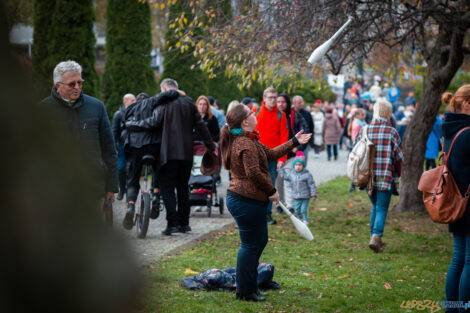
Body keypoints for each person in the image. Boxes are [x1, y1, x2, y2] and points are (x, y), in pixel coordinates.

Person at [219, 103, 311, 302]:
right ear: (245, 121)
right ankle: (244, 291)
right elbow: (253, 173)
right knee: (250, 246)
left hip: (250, 201)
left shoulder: (248, 139)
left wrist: (294, 141)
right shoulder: (245, 144)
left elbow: (270, 154)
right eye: (251, 112)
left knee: (259, 242)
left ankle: (250, 286)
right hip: (245, 201)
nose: (255, 114)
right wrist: (271, 190)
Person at [126, 78, 215, 235]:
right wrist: (210, 145)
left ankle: (172, 224)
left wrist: (133, 124)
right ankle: (184, 224)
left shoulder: (164, 104)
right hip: (187, 154)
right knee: (182, 188)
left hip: (167, 154)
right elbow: (201, 125)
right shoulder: (189, 103)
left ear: (165, 89)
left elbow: (153, 122)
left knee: (167, 189)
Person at [40, 60, 118, 206]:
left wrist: (111, 188)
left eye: (80, 82)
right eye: (72, 84)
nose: (77, 87)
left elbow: (109, 150)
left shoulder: (97, 107)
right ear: (58, 86)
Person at [121, 87, 181, 230]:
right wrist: (177, 92)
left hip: (135, 147)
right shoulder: (153, 101)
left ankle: (130, 206)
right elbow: (170, 94)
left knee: (133, 179)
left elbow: (123, 128)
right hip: (153, 146)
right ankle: (155, 197)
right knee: (157, 170)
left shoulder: (129, 109)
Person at [356, 100, 404, 253]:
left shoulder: (364, 130)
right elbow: (399, 158)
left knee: (375, 206)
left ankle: (374, 237)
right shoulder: (392, 132)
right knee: (381, 207)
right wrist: (399, 174)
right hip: (384, 176)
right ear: (388, 114)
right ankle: (376, 236)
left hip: (366, 177)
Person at [440, 86, 470, 311]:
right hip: (468, 202)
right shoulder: (467, 133)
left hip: (455, 202)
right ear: (467, 104)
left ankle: (452, 307)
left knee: (459, 257)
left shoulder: (450, 129)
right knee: (468, 261)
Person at [254, 87, 289, 225]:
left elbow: (284, 138)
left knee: (270, 187)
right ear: (264, 98)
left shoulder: (281, 115)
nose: (273, 100)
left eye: (275, 97)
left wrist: (282, 158)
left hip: (273, 158)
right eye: (270, 97)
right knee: (255, 186)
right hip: (256, 157)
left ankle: (267, 214)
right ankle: (255, 213)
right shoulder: (254, 112)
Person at [275, 93, 308, 213]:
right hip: (276, 153)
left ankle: (290, 206)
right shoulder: (273, 115)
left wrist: (298, 147)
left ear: (287, 103)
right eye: (278, 102)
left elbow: (305, 130)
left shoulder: (294, 115)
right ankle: (280, 205)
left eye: (283, 102)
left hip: (290, 154)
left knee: (288, 180)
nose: (280, 104)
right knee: (278, 181)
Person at [278, 152, 317, 225]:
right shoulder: (292, 174)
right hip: (296, 196)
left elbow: (311, 184)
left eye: (300, 165)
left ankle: (305, 220)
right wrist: (281, 169)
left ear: (303, 166)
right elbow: (285, 177)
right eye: (296, 165)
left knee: (303, 209)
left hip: (305, 196)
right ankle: (300, 219)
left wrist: (313, 193)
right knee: (297, 210)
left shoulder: (307, 175)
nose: (298, 167)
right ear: (294, 166)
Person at [112, 93, 136, 200]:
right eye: (132, 101)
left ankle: (130, 192)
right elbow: (114, 132)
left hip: (133, 145)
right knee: (121, 169)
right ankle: (122, 190)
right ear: (125, 101)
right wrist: (114, 147)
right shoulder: (118, 114)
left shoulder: (136, 113)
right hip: (121, 146)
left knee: (132, 169)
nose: (135, 103)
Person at [347, 108, 367, 192]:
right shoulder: (358, 125)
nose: (364, 116)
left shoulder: (358, 122)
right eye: (362, 115)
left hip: (357, 147)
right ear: (357, 115)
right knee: (358, 166)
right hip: (358, 147)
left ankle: (355, 185)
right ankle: (355, 185)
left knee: (357, 166)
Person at [292, 95, 314, 161]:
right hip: (292, 142)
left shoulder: (307, 114)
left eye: (302, 102)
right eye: (299, 103)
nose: (301, 104)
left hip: (304, 142)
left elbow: (311, 127)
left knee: (303, 162)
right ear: (294, 103)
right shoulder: (290, 113)